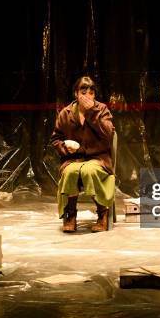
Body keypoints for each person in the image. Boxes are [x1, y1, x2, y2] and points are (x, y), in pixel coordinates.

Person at [50, 76, 115, 233]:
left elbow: (108, 135)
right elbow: (56, 139)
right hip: (73, 159)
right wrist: (65, 147)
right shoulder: (66, 113)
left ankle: (102, 214)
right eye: (83, 91)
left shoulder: (102, 110)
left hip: (98, 158)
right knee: (70, 171)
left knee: (88, 170)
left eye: (91, 92)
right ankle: (70, 215)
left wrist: (92, 113)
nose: (87, 95)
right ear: (76, 94)